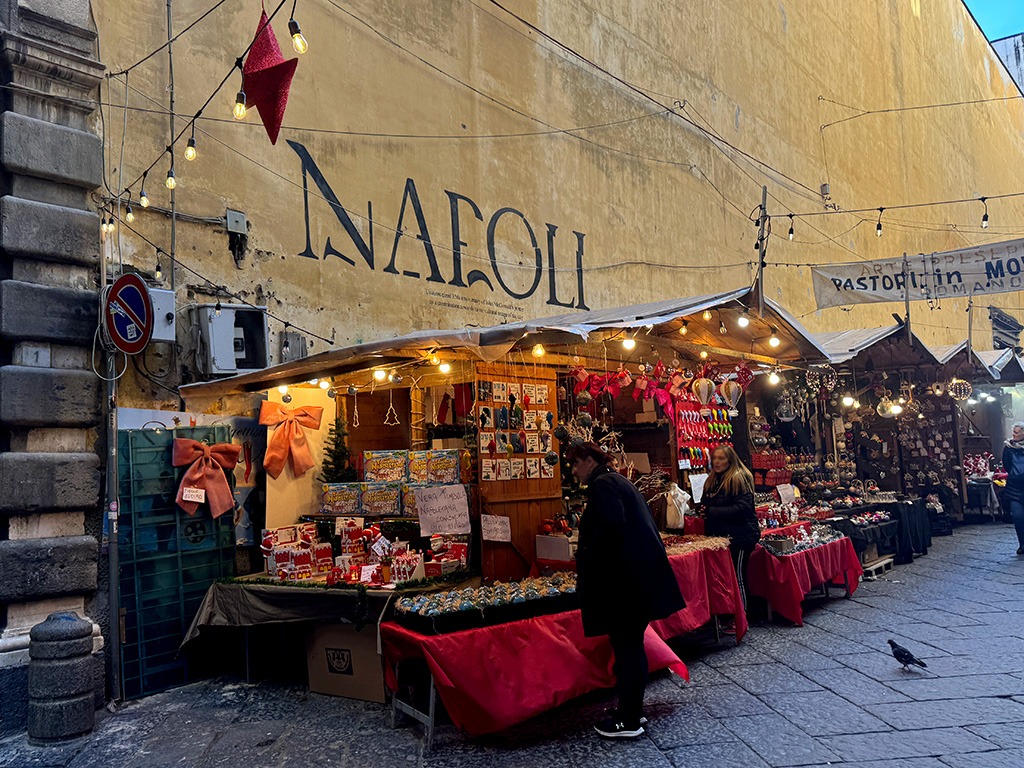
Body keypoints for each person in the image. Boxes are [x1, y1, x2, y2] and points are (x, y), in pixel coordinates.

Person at [569, 442, 685, 740]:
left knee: (627, 648)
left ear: (588, 460)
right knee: (631, 646)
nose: (573, 472)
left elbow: (611, 528)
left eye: (575, 464)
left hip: (625, 584)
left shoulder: (602, 485)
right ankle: (633, 709)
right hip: (638, 580)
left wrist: (588, 556)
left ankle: (629, 720)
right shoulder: (617, 480)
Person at [701, 445, 758, 614]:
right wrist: (703, 510)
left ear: (730, 460)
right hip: (720, 535)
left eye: (721, 458)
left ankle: (742, 614)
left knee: (738, 575)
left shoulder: (738, 479)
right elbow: (706, 502)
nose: (717, 462)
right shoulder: (712, 480)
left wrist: (711, 511)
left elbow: (743, 508)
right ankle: (730, 612)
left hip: (740, 536)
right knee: (724, 576)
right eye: (714, 458)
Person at [1001, 422, 1024, 555]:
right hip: (1015, 488)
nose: (1013, 435)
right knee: (1018, 516)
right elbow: (1007, 465)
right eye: (1013, 432)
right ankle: (1022, 543)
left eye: (1016, 432)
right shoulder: (1008, 448)